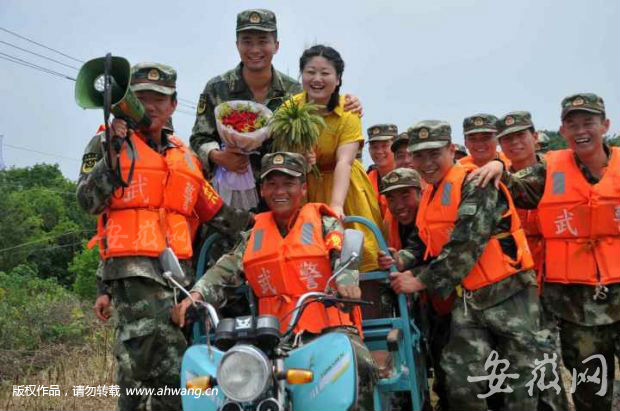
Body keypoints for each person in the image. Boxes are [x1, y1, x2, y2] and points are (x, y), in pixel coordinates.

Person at [77, 63, 252, 411]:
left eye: (159, 99)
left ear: (173, 105)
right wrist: (112, 154)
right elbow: (88, 202)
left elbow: (218, 214)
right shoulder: (107, 142)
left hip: (180, 280)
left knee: (165, 376)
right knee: (156, 369)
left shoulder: (185, 157)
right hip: (134, 275)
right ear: (128, 103)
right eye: (141, 98)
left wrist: (261, 225)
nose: (150, 106)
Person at [172, 152, 377, 411]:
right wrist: (196, 294)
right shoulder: (253, 233)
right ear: (262, 190)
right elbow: (225, 269)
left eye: (288, 183)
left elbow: (342, 252)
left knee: (359, 365)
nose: (280, 191)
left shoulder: (324, 222)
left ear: (303, 189)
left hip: (328, 331)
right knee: (233, 379)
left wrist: (347, 280)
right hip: (273, 335)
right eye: (272, 184)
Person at [387, 120, 551, 410]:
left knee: (521, 385)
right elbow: (424, 242)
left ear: (451, 150)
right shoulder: (430, 192)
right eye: (419, 156)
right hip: (470, 300)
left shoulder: (476, 183)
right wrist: (402, 258)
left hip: (509, 297)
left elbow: (466, 245)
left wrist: (420, 280)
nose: (427, 163)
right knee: (460, 380)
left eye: (434, 154)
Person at [471, 93, 620, 411]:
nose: (581, 130)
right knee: (591, 391)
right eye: (572, 124)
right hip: (576, 306)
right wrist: (497, 163)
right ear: (562, 132)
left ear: (605, 125)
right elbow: (512, 184)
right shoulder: (550, 170)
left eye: (588, 123)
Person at [190, 9, 361, 211]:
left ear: (276, 46)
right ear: (237, 45)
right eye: (247, 41)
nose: (255, 49)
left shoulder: (295, 93)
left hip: (280, 199)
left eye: (263, 41)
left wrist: (348, 103)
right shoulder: (217, 88)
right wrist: (218, 156)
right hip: (227, 199)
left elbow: (326, 115)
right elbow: (199, 138)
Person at [496, 111, 569, 411]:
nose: (515, 143)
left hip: (557, 278)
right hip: (517, 285)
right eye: (507, 139)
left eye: (521, 135)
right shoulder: (497, 180)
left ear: (535, 137)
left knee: (552, 360)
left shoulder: (558, 171)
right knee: (524, 363)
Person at [366, 123, 397, 216]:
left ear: (396, 147)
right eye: (374, 147)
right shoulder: (366, 179)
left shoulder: (410, 175)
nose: (379, 151)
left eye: (384, 145)